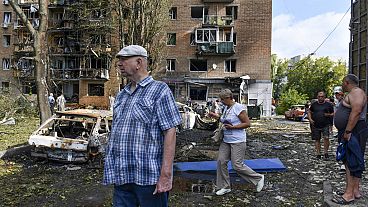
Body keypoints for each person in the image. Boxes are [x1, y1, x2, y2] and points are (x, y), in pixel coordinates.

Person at [103, 45, 182, 207]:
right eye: (119, 60)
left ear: (139, 62)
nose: (119, 64)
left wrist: (166, 174)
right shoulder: (122, 95)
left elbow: (170, 131)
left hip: (148, 177)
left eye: (124, 60)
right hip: (122, 176)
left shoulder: (159, 90)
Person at [208, 89, 264, 196]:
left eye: (223, 99)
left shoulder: (238, 107)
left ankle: (258, 178)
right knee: (221, 161)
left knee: (237, 165)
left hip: (238, 140)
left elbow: (247, 124)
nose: (221, 101)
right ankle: (225, 186)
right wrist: (216, 116)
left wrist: (233, 127)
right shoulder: (226, 108)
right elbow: (226, 120)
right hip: (226, 140)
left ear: (229, 98)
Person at [332, 74, 367, 205]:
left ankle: (348, 195)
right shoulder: (356, 93)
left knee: (350, 162)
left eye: (342, 82)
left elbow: (356, 111)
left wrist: (347, 131)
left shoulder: (356, 92)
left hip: (354, 130)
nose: (342, 85)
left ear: (346, 82)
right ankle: (355, 190)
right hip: (354, 130)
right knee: (355, 160)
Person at [307, 91, 334, 160]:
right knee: (317, 139)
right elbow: (309, 111)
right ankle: (318, 154)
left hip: (326, 124)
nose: (320, 98)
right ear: (317, 97)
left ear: (324, 97)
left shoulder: (329, 105)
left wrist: (328, 116)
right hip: (315, 124)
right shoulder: (314, 104)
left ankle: (326, 153)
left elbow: (333, 114)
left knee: (326, 138)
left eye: (322, 96)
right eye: (319, 96)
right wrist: (310, 119)